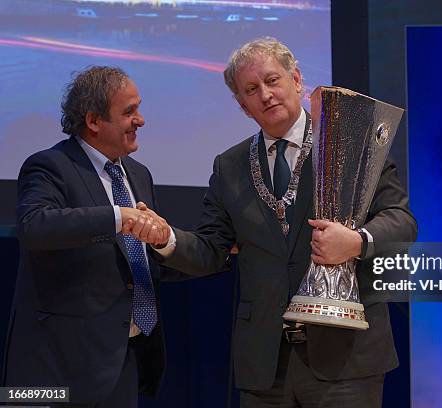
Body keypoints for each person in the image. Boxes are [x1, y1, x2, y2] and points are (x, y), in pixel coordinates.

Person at [151, 37, 417, 407]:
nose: (265, 95)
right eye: (251, 89)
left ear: (296, 80)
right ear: (243, 105)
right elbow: (212, 250)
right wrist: (166, 238)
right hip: (265, 364)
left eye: (272, 80)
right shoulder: (229, 166)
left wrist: (356, 241)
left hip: (346, 358)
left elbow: (402, 222)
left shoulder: (349, 141)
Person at [2, 66, 172, 407]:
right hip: (52, 371)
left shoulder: (138, 174)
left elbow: (138, 263)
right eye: (128, 112)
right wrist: (117, 217)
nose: (140, 120)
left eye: (138, 108)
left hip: (122, 363)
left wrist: (164, 241)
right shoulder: (49, 165)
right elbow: (34, 226)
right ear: (93, 121)